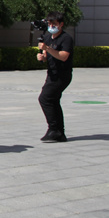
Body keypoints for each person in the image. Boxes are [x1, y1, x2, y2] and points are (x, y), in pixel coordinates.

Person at [36, 11, 74, 143]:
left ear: (61, 24)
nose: (51, 26)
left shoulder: (66, 38)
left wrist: (48, 49)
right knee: (53, 101)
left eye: (54, 24)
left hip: (62, 75)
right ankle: (59, 132)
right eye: (49, 23)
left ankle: (53, 129)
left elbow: (63, 56)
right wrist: (42, 57)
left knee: (45, 98)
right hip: (51, 74)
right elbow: (46, 56)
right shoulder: (47, 38)